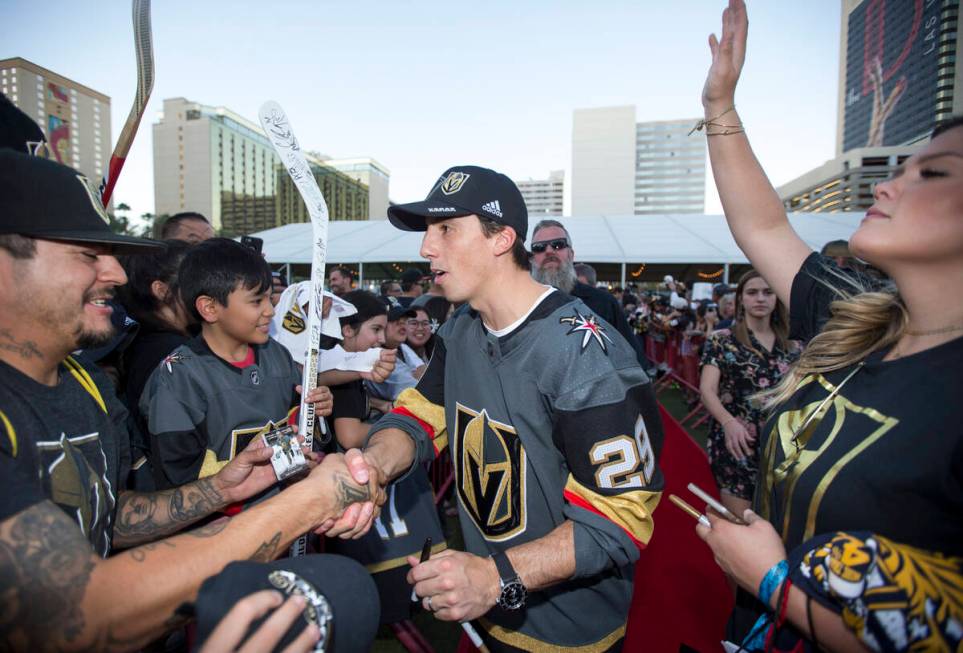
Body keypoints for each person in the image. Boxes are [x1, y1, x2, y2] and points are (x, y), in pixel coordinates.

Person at [0, 150, 383, 651]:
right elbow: (70, 614)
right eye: (88, 254)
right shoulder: (175, 375)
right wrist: (305, 503)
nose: (117, 274)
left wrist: (222, 489)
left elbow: (112, 517)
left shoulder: (83, 384)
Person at [694, 2, 963, 649]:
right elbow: (763, 227)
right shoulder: (857, 314)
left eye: (930, 172)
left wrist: (774, 582)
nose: (888, 186)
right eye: (899, 168)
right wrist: (720, 108)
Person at [360, 165, 665, 651]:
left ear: (501, 239)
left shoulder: (585, 354)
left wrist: (492, 577)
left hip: (568, 630)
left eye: (445, 230)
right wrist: (370, 465)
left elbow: (620, 518)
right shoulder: (461, 325)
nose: (425, 249)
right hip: (491, 604)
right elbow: (422, 413)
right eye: (427, 232)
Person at [140, 238, 333, 490]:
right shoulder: (178, 377)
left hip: (283, 508)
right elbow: (178, 478)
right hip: (221, 525)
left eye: (270, 298)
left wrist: (315, 414)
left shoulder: (278, 356)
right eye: (256, 301)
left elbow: (299, 439)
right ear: (209, 308)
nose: (270, 311)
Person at [324, 290, 447, 626]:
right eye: (376, 330)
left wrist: (382, 411)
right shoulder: (345, 374)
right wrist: (390, 423)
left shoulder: (349, 371)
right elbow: (349, 434)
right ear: (347, 331)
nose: (383, 339)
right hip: (362, 484)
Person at [699, 270, 797, 518]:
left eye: (768, 292)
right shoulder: (722, 340)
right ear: (741, 299)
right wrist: (728, 423)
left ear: (777, 298)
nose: (760, 299)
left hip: (783, 445)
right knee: (741, 522)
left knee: (779, 521)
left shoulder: (795, 345)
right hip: (736, 442)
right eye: (752, 293)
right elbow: (707, 391)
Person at [530, 219, 650, 370]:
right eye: (539, 247)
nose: (548, 251)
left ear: (571, 254)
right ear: (533, 258)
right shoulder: (519, 307)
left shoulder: (603, 303)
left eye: (558, 244)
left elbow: (633, 362)